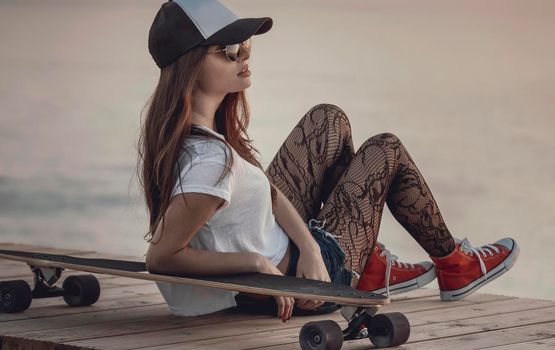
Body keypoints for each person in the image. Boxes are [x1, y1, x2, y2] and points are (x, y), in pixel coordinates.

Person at [139, 0, 519, 323]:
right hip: (303, 285)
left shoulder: (194, 139)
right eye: (230, 52)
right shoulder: (211, 161)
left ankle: (370, 264)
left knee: (327, 120)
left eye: (246, 47)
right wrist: (255, 264)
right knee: (385, 150)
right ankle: (455, 266)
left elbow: (268, 194)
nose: (245, 58)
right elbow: (163, 256)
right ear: (190, 66)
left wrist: (308, 247)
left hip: (299, 255)